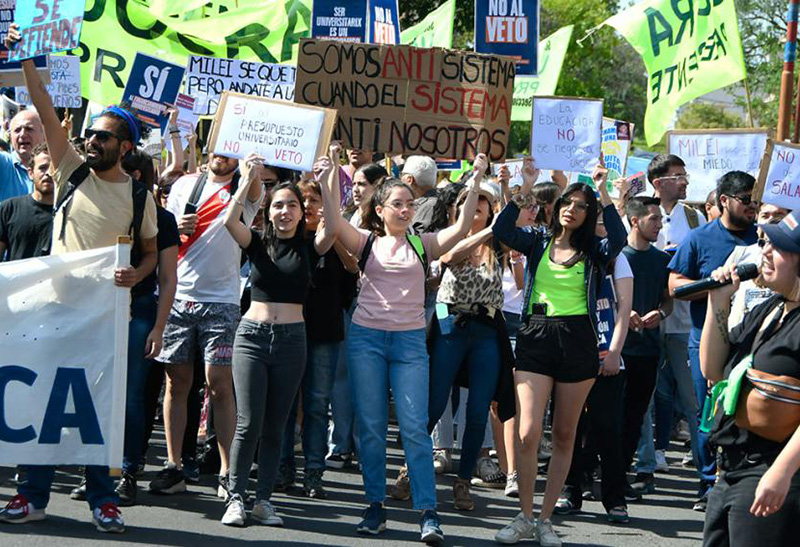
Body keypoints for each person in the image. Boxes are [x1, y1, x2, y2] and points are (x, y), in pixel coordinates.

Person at [0, 28, 159, 533]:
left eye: (102, 137)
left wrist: (138, 272)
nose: (91, 141)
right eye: (89, 134)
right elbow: (45, 109)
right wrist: (27, 57)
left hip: (106, 316)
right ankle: (33, 495)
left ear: (125, 146)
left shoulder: (138, 197)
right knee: (47, 399)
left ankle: (103, 499)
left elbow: (152, 252)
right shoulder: (71, 170)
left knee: (99, 407)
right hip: (56, 310)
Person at [326, 153, 489, 543]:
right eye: (397, 204)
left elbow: (465, 224)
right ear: (380, 210)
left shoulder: (424, 243)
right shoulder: (365, 241)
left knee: (415, 428)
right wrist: (332, 172)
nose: (405, 209)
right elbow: (332, 223)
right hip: (365, 339)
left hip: (410, 344)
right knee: (371, 427)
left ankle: (428, 513)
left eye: (409, 204)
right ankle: (375, 506)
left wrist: (478, 178)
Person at [493, 158, 626, 546]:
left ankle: (546, 520)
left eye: (582, 206)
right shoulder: (536, 238)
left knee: (565, 434)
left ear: (590, 214)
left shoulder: (597, 249)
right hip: (535, 335)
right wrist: (524, 187)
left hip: (578, 340)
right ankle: (523, 516)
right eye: (568, 201)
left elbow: (617, 239)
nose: (572, 208)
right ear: (557, 206)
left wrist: (603, 191)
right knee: (529, 430)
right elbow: (502, 229)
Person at [220, 154, 338, 526]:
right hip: (252, 339)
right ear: (268, 212)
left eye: (292, 205)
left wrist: (329, 175)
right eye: (278, 205)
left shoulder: (309, 246)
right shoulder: (255, 242)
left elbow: (333, 226)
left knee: (276, 425)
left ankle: (263, 500)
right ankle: (236, 497)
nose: (285, 211)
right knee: (248, 423)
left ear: (303, 213)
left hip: (292, 341)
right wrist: (248, 178)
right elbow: (228, 220)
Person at [150, 151, 262, 499]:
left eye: (231, 153)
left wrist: (252, 171)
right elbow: (161, 229)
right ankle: (174, 466)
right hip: (180, 298)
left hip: (223, 302)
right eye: (217, 149)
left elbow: (256, 192)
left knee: (220, 386)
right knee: (176, 383)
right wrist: (175, 228)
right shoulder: (184, 184)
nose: (221, 157)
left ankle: (228, 471)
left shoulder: (245, 188)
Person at [700, 211, 800, 546]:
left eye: (778, 247)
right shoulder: (771, 308)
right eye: (765, 243)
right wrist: (719, 298)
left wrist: (781, 473)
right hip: (730, 469)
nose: (765, 253)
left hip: (770, 470)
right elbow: (712, 371)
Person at [669, 171, 759, 512]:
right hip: (706, 340)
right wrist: (717, 287)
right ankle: (709, 484)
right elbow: (675, 286)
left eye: (756, 201)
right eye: (746, 200)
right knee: (709, 413)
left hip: (752, 342)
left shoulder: (763, 238)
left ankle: (741, 478)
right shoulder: (699, 238)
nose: (752, 207)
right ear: (724, 200)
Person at [425, 181, 515, 511]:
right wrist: (487, 229)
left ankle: (463, 481)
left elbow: (513, 215)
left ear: (492, 210)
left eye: (483, 201)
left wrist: (513, 189)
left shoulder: (500, 246)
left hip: (487, 332)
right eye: (469, 200)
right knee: (434, 406)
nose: (477, 204)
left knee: (477, 410)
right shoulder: (452, 237)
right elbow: (449, 257)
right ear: (457, 209)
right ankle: (411, 471)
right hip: (450, 328)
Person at [276, 173, 356, 498]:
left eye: (314, 200)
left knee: (317, 404)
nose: (307, 207)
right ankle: (283, 466)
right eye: (302, 201)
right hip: (288, 330)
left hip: (324, 331)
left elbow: (353, 268)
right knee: (284, 402)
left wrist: (333, 230)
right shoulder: (286, 238)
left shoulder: (333, 239)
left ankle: (313, 472)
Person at [633, 154, 706, 499]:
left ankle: (704, 465)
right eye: (678, 176)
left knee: (692, 395)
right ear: (658, 182)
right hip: (644, 319)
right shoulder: (637, 210)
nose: (685, 181)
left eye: (684, 175)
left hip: (682, 319)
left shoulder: (694, 216)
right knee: (645, 395)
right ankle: (646, 463)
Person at [556, 210, 633, 522]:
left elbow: (624, 308)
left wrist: (614, 351)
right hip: (568, 354)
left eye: (600, 221)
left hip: (605, 355)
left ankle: (615, 498)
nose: (596, 226)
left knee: (607, 428)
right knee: (567, 427)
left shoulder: (615, 257)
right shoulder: (563, 253)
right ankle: (569, 491)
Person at [327, 162, 387, 469]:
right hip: (349, 303)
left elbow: (354, 263)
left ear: (379, 186)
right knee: (340, 376)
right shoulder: (351, 215)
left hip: (375, 308)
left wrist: (335, 232)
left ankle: (367, 449)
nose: (357, 189)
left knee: (368, 381)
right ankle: (341, 443)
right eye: (357, 183)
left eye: (363, 183)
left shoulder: (384, 223)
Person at [619, 197, 673, 496]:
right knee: (606, 415)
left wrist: (660, 313)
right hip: (616, 350)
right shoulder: (616, 255)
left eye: (661, 220)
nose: (659, 225)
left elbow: (668, 299)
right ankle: (588, 475)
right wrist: (622, 312)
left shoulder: (662, 260)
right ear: (635, 220)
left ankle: (622, 475)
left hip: (648, 351)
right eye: (654, 219)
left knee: (635, 417)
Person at [724, 204, 790, 330]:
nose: (770, 220)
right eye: (765, 216)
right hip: (739, 340)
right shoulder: (740, 254)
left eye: (778, 215)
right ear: (757, 220)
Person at [0, 143, 53, 260]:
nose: (48, 173)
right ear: (30, 173)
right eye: (43, 168)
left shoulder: (68, 213)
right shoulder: (8, 209)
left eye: (54, 167)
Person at [0, 109, 44, 202]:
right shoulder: (3, 162)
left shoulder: (54, 167)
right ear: (10, 136)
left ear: (44, 133)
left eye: (29, 129)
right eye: (17, 130)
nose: (23, 134)